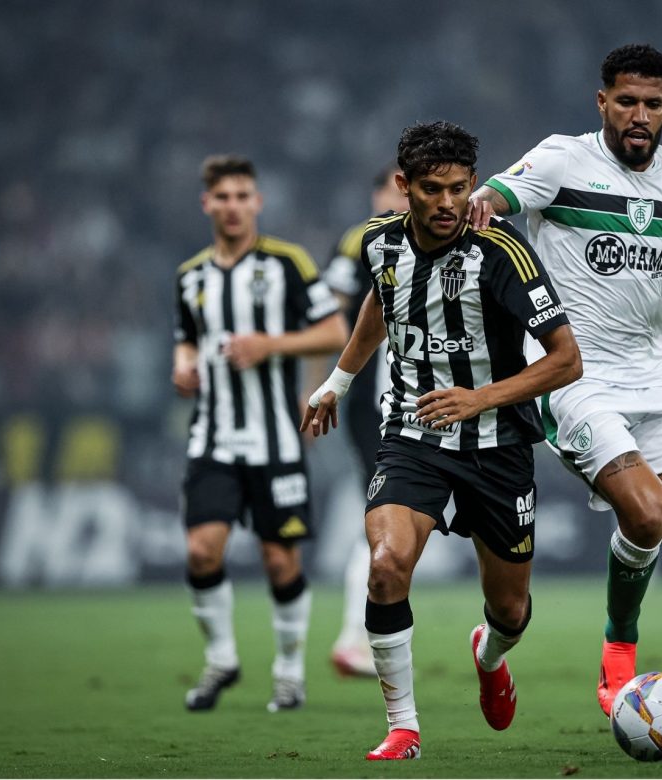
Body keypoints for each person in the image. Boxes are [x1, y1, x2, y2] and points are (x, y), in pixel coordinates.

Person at [468, 43, 662, 748]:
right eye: (627, 101)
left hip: (655, 378)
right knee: (648, 511)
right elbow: (490, 201)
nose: (639, 115)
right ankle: (617, 651)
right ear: (603, 102)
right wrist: (477, 207)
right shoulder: (561, 160)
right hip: (573, 375)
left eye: (653, 104)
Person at [303, 121, 582, 760]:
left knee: (510, 611)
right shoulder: (378, 242)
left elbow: (567, 360)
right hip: (413, 433)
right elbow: (380, 306)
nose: (449, 202)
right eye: (433, 189)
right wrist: (339, 382)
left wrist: (478, 399)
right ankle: (403, 728)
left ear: (472, 183)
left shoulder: (502, 252)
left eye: (459, 188)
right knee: (385, 566)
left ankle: (490, 656)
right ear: (405, 187)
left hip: (497, 444)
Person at [172, 155, 348, 713]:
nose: (233, 206)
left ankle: (289, 672)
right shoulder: (191, 276)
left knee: (280, 562)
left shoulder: (287, 264)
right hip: (213, 438)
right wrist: (182, 366)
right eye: (223, 197)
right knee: (201, 550)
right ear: (207, 203)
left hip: (276, 440)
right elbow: (186, 338)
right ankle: (220, 659)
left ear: (258, 202)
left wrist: (268, 345)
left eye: (242, 196)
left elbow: (334, 331)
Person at [322, 165, 409, 679]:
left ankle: (364, 633)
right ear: (377, 194)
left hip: (410, 400)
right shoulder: (363, 238)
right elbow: (329, 321)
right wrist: (321, 384)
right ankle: (356, 636)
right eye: (396, 189)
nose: (403, 200)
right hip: (376, 402)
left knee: (388, 518)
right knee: (382, 517)